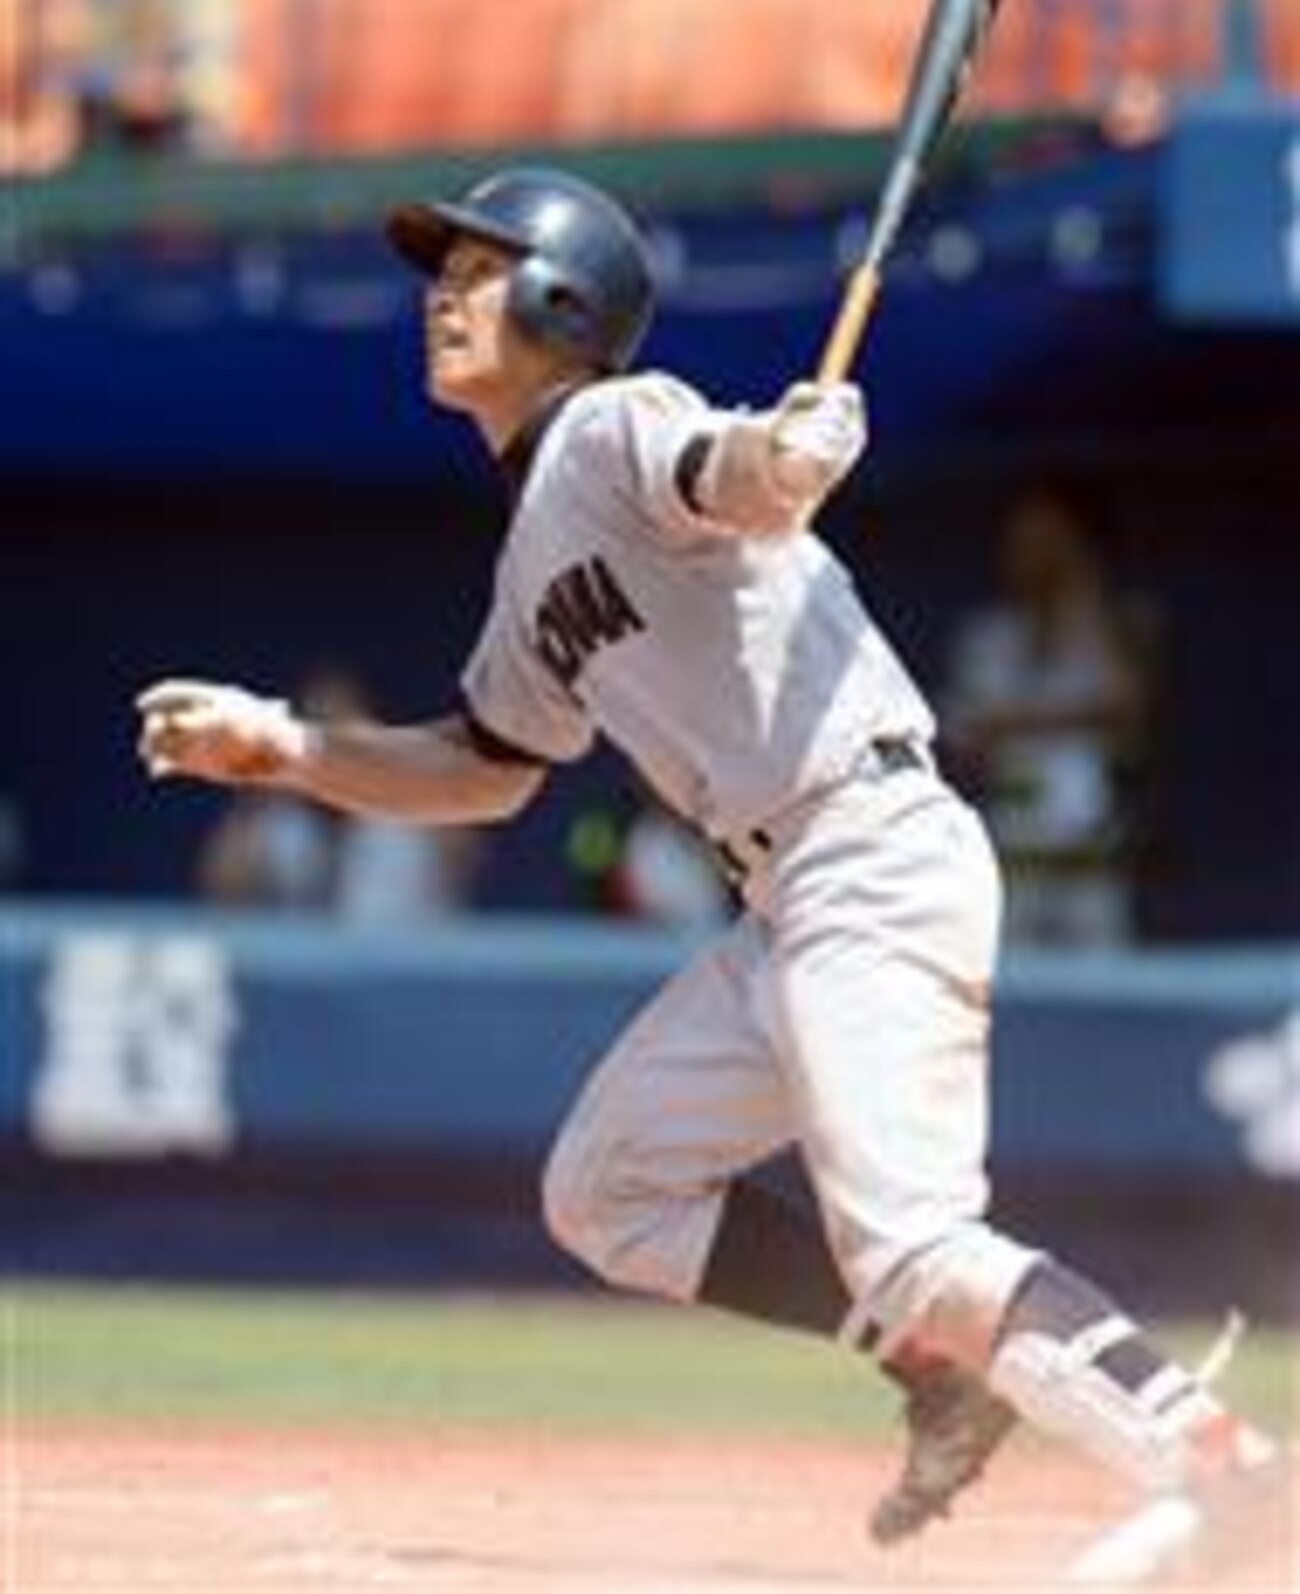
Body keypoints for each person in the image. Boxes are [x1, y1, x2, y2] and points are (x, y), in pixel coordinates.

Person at [135, 167, 1285, 1581]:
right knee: (610, 1186)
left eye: (480, 270)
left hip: (866, 846)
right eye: (443, 273)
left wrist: (780, 458)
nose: (443, 295)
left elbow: (719, 469)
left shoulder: (612, 422)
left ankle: (1221, 1467)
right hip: (788, 893)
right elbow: (487, 765)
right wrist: (287, 748)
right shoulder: (535, 547)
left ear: (563, 295)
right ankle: (938, 1365)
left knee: (918, 1243)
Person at [941, 486, 1158, 949]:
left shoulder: (1119, 625)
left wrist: (1081, 599)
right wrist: (1078, 716)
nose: (1035, 556)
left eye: (1050, 542)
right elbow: (965, 736)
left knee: (1104, 979)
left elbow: (1130, 722)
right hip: (1012, 848)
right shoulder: (987, 637)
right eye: (1024, 542)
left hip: (1092, 853)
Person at [197, 665, 480, 925]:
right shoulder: (284, 824)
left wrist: (390, 763)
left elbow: (465, 854)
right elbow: (223, 886)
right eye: (318, 735)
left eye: (340, 736)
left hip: (407, 959)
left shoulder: (406, 812)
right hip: (306, 962)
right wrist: (258, 786)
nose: (330, 754)